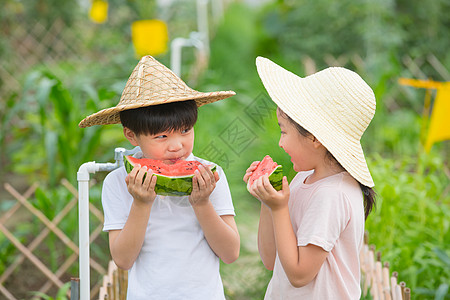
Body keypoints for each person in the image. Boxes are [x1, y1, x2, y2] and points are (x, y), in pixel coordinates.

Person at [79, 56, 240, 300]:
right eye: (162, 137)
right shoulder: (118, 183)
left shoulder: (209, 175)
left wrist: (202, 203)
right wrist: (141, 203)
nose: (176, 146)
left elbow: (230, 253)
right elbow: (123, 260)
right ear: (132, 136)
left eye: (185, 131)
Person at [243, 57, 377, 299]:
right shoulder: (304, 177)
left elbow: (299, 275)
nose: (280, 143)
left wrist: (280, 207)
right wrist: (267, 201)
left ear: (315, 138)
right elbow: (272, 260)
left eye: (284, 131)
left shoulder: (332, 194)